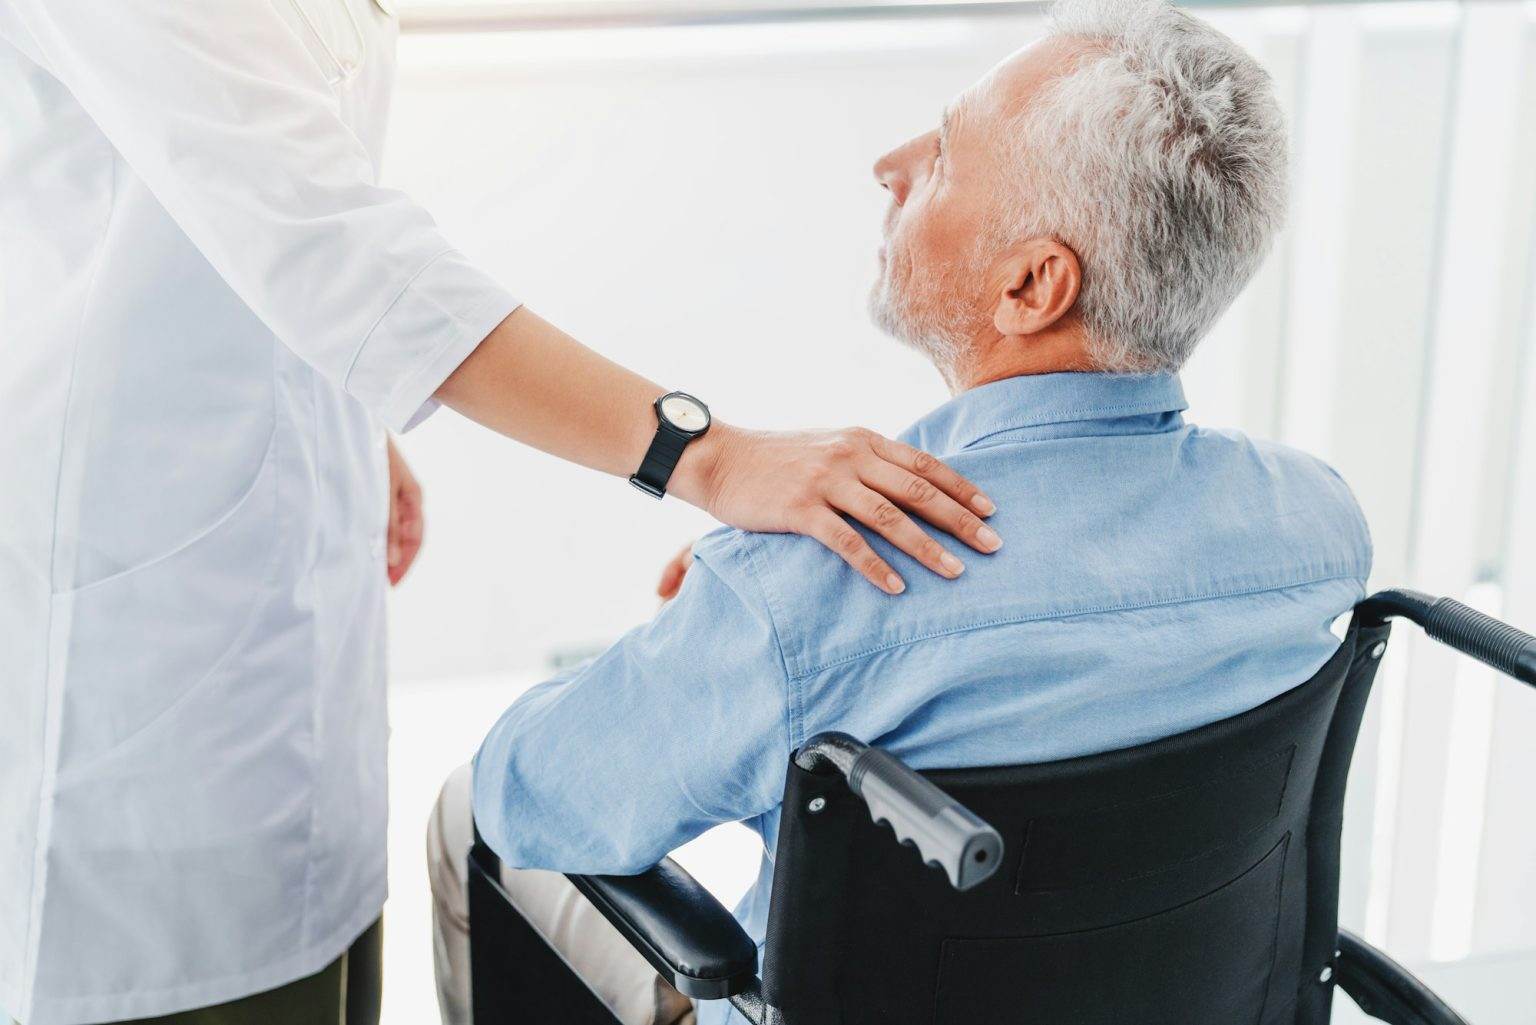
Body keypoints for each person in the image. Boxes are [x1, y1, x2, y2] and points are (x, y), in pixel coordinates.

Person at [0, 3, 1003, 1024]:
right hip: (127, 640)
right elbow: (333, 241)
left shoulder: (811, 595)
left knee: (333, 931)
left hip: (269, 537)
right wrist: (709, 456)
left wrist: (325, 401)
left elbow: (263, 203)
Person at [426, 1, 1375, 1023]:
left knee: (462, 810)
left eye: (949, 151)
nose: (892, 162)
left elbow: (530, 796)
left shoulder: (815, 586)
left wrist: (717, 636)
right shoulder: (1317, 529)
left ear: (1031, 284)